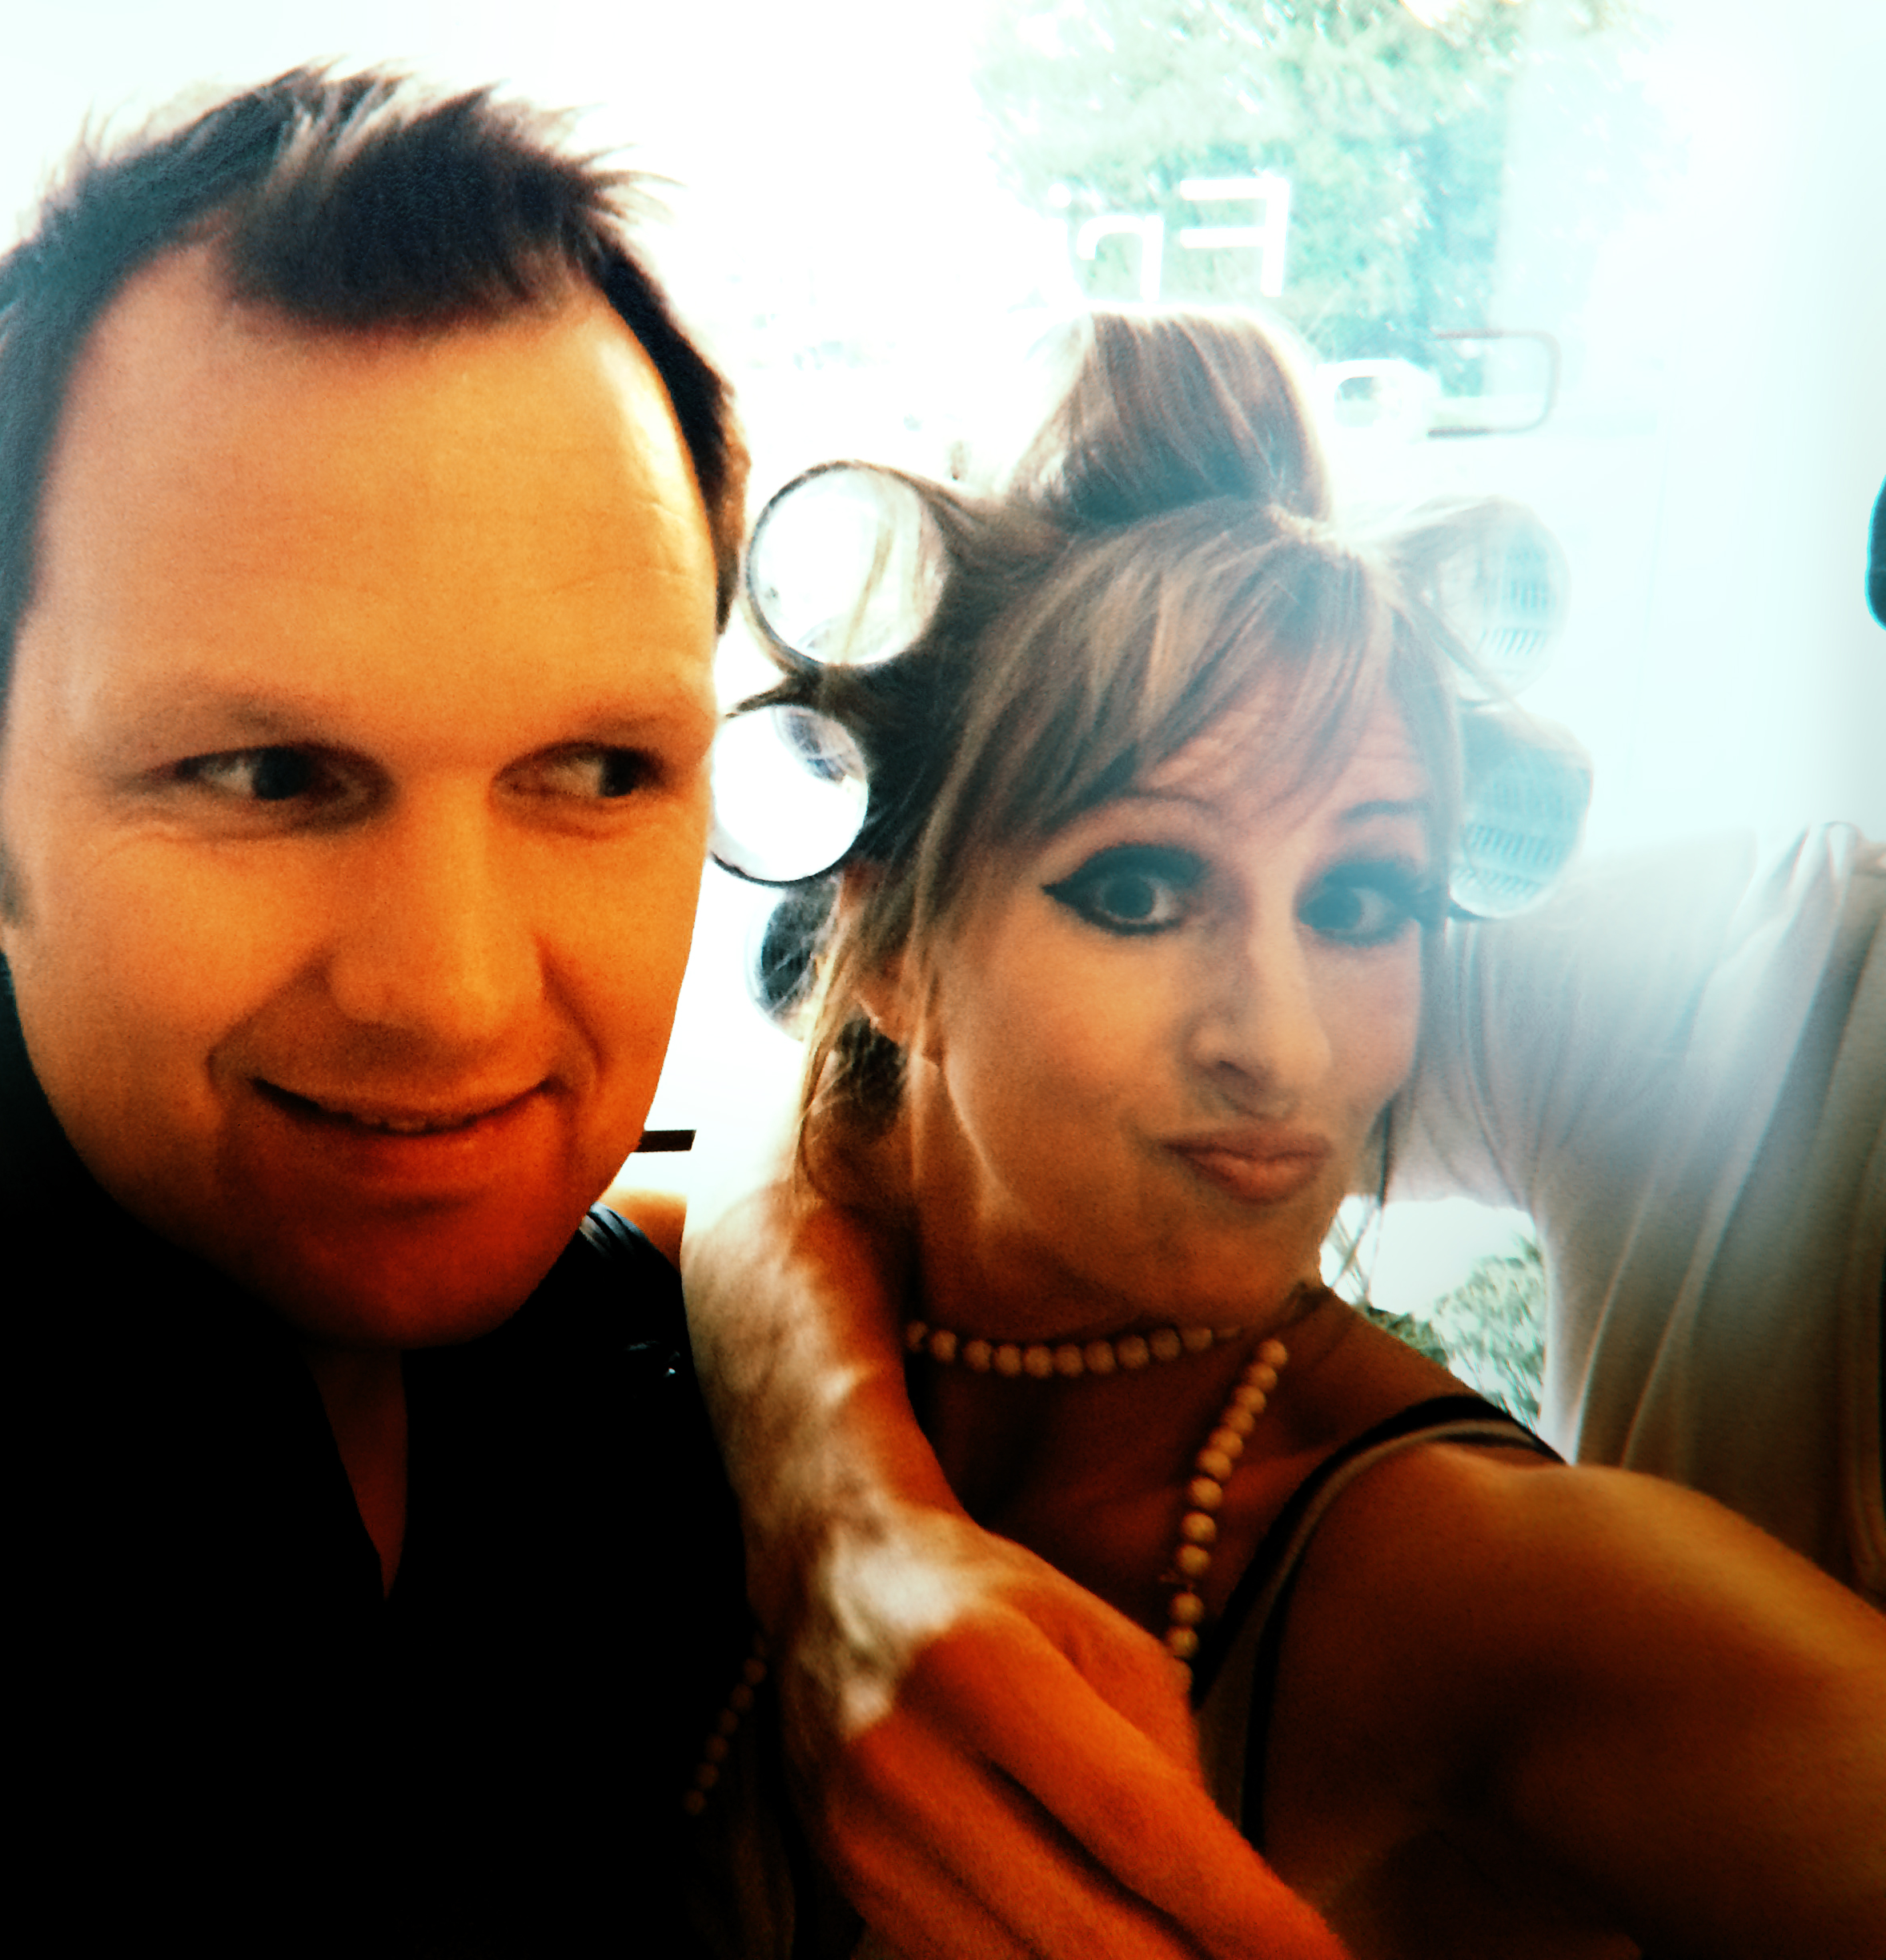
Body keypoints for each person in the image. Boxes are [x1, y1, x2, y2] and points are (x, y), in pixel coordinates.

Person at [0, 67, 1333, 1960]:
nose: (450, 996)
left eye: (596, 771)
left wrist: (834, 1492)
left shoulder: (664, 1422)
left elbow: (726, 1238)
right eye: (265, 776)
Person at [692, 309, 1886, 1954]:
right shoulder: (646, 1337)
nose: (1285, 1045)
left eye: (1362, 901)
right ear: (894, 949)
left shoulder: (1503, 1594)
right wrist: (837, 1502)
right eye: (1138, 890)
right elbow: (788, 1130)